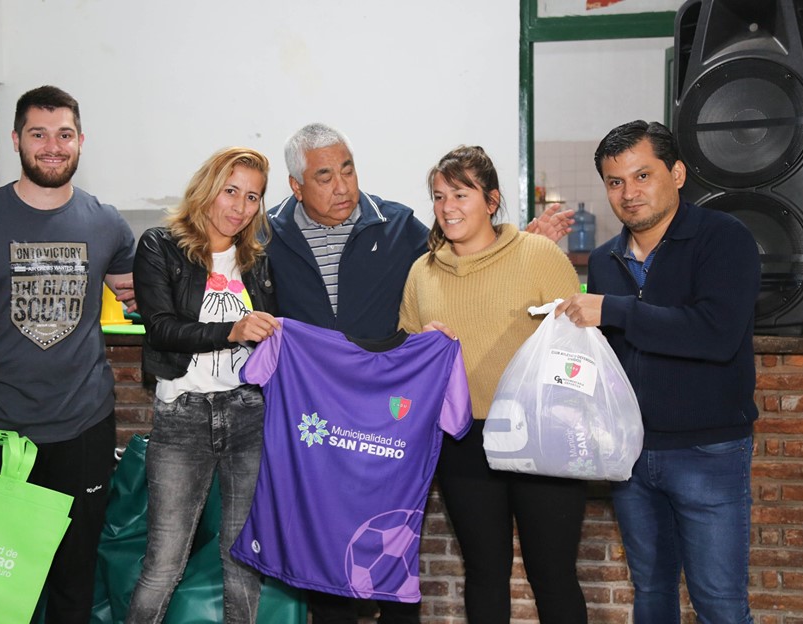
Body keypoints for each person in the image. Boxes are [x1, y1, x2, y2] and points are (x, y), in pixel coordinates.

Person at [265, 123, 575, 624]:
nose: (343, 185)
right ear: (297, 187)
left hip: (499, 433)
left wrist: (525, 243)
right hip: (352, 427)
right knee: (343, 557)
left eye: (348, 168)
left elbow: (566, 336)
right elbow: (406, 342)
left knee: (545, 572)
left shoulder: (396, 226)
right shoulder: (271, 238)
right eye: (325, 176)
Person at [0, 85, 136, 623]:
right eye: (39, 134)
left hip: (83, 428)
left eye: (64, 134)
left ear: (81, 141)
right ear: (17, 140)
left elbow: (150, 301)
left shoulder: (107, 223)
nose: (52, 146)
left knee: (72, 576)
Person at [555, 120, 759, 623]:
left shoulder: (724, 239)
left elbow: (715, 335)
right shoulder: (605, 259)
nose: (629, 193)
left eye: (643, 176)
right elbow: (611, 356)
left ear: (678, 173)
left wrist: (615, 311)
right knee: (650, 594)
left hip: (707, 451)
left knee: (720, 606)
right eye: (615, 181)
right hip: (631, 453)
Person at [399, 145, 588, 624]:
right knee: (484, 572)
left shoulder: (539, 255)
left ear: (491, 200)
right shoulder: (422, 271)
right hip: (463, 442)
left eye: (460, 194)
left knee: (554, 575)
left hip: (543, 438)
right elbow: (405, 353)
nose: (447, 207)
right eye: (439, 196)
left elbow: (580, 345)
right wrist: (419, 344)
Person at [126, 147, 279, 624]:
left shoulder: (256, 259)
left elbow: (281, 332)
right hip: (183, 417)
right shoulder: (160, 245)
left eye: (252, 196)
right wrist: (231, 330)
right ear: (207, 188)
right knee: (163, 565)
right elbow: (162, 328)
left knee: (242, 564)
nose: (240, 206)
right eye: (231, 190)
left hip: (248, 415)